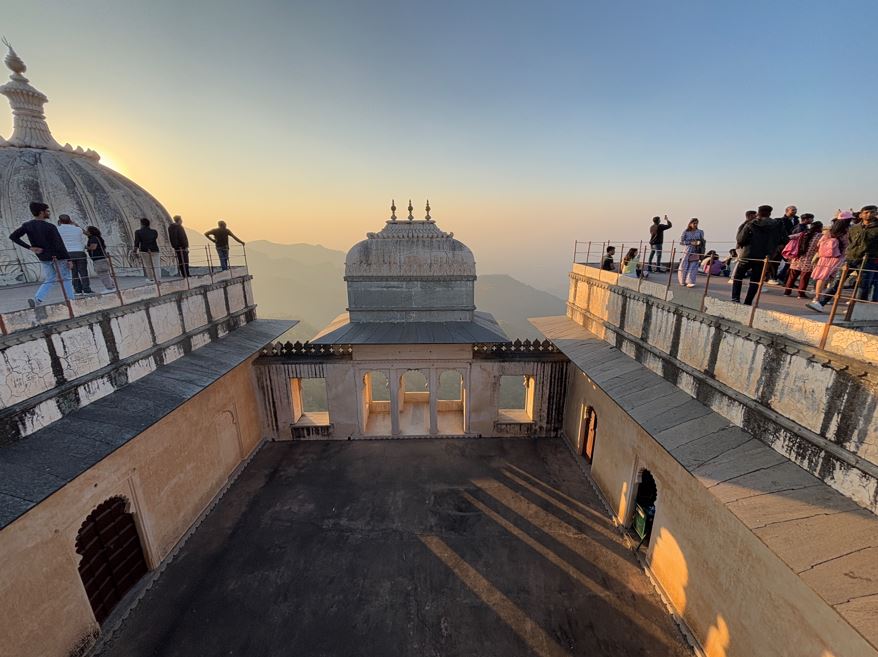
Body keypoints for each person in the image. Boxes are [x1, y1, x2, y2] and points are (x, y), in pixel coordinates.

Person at [8, 201, 75, 306]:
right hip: (59, 256)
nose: (49, 213)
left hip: (44, 257)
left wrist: (30, 248)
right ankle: (71, 300)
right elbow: (59, 244)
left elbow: (13, 236)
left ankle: (37, 299)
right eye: (47, 211)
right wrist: (69, 259)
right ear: (41, 212)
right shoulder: (50, 227)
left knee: (50, 278)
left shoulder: (27, 225)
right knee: (66, 278)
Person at [731, 205, 784, 305]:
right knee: (755, 281)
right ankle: (748, 302)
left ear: (758, 213)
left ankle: (735, 299)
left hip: (747, 255)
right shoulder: (778, 225)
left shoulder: (751, 223)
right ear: (770, 213)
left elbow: (740, 239)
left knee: (738, 277)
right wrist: (774, 249)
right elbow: (784, 239)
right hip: (764, 257)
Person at [806, 222, 848, 311]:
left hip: (824, 258)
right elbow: (846, 247)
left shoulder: (828, 233)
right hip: (837, 258)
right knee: (833, 279)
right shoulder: (846, 234)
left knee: (821, 278)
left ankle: (817, 297)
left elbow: (818, 244)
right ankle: (826, 297)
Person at [783, 220, 822, 298]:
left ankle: (787, 292)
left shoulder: (803, 233)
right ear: (819, 228)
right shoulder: (820, 236)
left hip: (797, 258)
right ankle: (801, 294)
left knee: (792, 276)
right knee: (804, 278)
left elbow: (790, 237)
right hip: (809, 260)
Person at [57, 214, 93, 296]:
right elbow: (88, 234)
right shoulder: (77, 229)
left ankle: (78, 290)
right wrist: (76, 225)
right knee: (83, 272)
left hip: (68, 253)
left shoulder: (57, 229)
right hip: (80, 252)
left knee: (74, 273)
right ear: (70, 220)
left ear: (60, 221)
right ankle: (87, 289)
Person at [768, 205, 799, 284]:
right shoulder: (781, 221)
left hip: (792, 244)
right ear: (787, 211)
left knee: (790, 262)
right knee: (776, 261)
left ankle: (782, 277)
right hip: (781, 244)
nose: (794, 211)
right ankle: (773, 277)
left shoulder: (797, 221)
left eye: (795, 210)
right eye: (792, 210)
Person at [85, 226, 115, 291]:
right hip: (102, 258)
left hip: (98, 259)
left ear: (91, 232)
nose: (86, 232)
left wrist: (86, 247)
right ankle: (112, 287)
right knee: (106, 274)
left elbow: (93, 247)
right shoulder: (98, 237)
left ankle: (109, 288)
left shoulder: (93, 238)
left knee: (102, 274)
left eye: (87, 231)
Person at [677, 218, 705, 287]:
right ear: (690, 223)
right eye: (694, 223)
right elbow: (682, 242)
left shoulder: (700, 232)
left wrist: (700, 244)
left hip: (696, 250)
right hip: (687, 250)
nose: (695, 225)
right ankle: (682, 281)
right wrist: (691, 242)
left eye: (696, 223)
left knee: (694, 266)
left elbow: (703, 241)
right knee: (684, 265)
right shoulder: (686, 232)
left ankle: (690, 281)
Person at [133, 218, 161, 282]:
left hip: (144, 250)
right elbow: (154, 238)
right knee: (156, 265)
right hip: (154, 249)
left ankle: (151, 279)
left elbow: (136, 242)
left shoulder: (138, 232)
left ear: (142, 224)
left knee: (148, 265)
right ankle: (158, 279)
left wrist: (135, 251)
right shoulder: (154, 231)